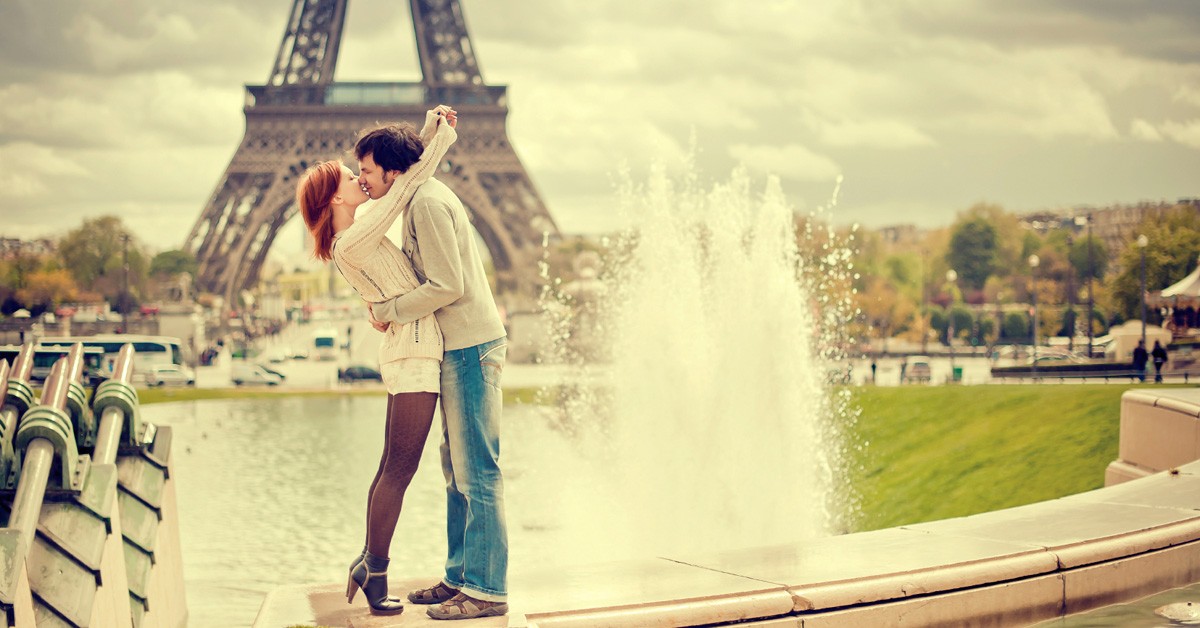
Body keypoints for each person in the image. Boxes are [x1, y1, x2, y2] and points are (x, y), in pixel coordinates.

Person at [296, 105, 457, 617]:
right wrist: (441, 141)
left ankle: (371, 563)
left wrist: (426, 134)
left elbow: (398, 180)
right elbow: (406, 188)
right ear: (335, 196)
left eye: (362, 170)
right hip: (412, 355)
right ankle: (375, 567)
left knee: (392, 468)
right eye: (351, 176)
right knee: (398, 471)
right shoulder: (355, 238)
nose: (358, 177)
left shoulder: (352, 237)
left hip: (409, 349)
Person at [364, 116, 510, 620]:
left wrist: (389, 310)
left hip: (469, 346)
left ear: (391, 170)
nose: (362, 179)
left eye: (367, 170)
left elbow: (447, 284)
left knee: (477, 474)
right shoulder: (421, 197)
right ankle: (461, 577)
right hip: (460, 346)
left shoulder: (425, 202)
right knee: (456, 473)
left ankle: (487, 591)